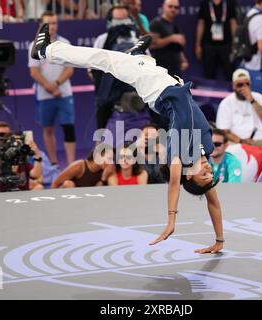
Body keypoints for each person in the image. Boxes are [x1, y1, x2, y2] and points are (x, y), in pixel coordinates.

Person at [31, 24, 224, 253]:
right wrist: (219, 240)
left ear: (189, 177)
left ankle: (45, 52)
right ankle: (137, 55)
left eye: (204, 176)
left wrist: (171, 220)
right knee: (140, 63)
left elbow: (174, 184)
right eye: (210, 174)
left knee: (103, 59)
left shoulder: (179, 153)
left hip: (154, 88)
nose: (208, 172)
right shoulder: (206, 150)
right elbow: (212, 201)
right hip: (169, 82)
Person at [29, 11, 76, 167]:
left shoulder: (66, 43)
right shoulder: (34, 45)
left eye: (55, 23)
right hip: (44, 95)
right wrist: (48, 87)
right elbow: (34, 71)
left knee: (68, 128)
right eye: (48, 23)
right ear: (40, 25)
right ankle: (54, 163)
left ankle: (71, 164)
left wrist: (55, 84)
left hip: (64, 93)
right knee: (48, 129)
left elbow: (69, 69)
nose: (52, 27)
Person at [216, 68, 262, 157]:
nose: (244, 87)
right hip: (237, 143)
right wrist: (241, 141)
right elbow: (224, 131)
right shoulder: (226, 103)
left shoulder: (258, 97)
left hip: (260, 139)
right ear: (233, 86)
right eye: (240, 85)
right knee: (228, 151)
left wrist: (252, 100)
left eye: (246, 84)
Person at [195, 0, 238, 81]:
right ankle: (209, 93)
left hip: (226, 44)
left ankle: (231, 92)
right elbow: (201, 24)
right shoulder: (205, 3)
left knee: (230, 73)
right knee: (209, 74)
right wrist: (198, 45)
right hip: (208, 44)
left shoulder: (229, 3)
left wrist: (235, 43)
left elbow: (233, 23)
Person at [149, 0, 189, 78]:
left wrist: (183, 60)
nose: (173, 9)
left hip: (175, 68)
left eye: (176, 7)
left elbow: (177, 48)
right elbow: (152, 45)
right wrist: (172, 38)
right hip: (162, 69)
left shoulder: (174, 26)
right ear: (164, 7)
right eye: (170, 6)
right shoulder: (156, 23)